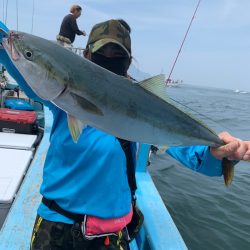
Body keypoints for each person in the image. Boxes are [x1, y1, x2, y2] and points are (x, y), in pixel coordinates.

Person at [1, 19, 249, 249]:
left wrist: (220, 153)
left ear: (128, 61)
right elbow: (18, 60)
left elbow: (190, 152)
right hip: (57, 224)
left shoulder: (145, 106)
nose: (109, 58)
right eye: (102, 53)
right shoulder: (59, 99)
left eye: (117, 53)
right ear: (86, 56)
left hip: (111, 235)